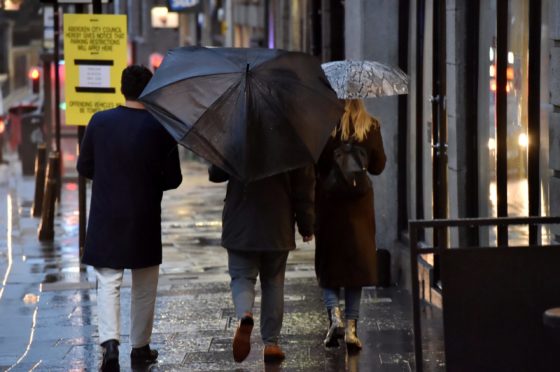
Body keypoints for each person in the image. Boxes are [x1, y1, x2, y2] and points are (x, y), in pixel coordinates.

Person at [77, 65, 182, 371]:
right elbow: (173, 178)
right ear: (149, 91)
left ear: (121, 88)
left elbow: (84, 168)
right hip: (144, 214)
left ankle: (110, 345)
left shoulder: (99, 121)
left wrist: (109, 177)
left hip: (107, 214)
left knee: (108, 280)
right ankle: (140, 348)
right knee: (145, 283)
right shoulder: (161, 127)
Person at [208, 164, 315, 364]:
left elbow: (216, 173)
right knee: (273, 281)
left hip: (241, 221)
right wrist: (306, 224)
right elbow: (304, 185)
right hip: (278, 223)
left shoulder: (237, 134)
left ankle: (245, 315)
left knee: (242, 277)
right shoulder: (291, 137)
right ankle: (271, 344)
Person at [314, 98, 386, 352]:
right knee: (356, 267)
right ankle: (352, 330)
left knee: (329, 263)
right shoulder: (371, 126)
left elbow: (318, 163)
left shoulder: (325, 125)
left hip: (330, 204)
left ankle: (335, 316)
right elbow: (378, 166)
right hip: (360, 208)